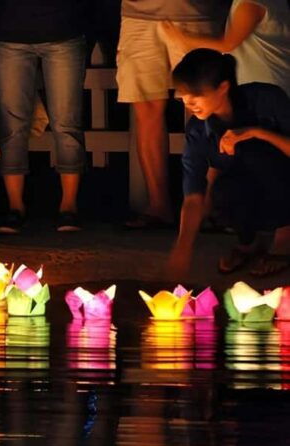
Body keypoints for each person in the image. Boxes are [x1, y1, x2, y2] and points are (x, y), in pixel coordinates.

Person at [166, 49, 290, 278]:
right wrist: (183, 248)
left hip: (284, 179)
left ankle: (284, 238)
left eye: (195, 95)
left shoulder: (267, 99)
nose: (188, 103)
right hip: (249, 189)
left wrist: (256, 132)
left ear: (223, 88)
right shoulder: (198, 130)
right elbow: (194, 195)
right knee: (222, 188)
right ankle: (247, 242)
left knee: (255, 154)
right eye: (183, 96)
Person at [117, 0, 229, 229]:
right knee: (145, 108)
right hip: (138, 14)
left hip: (196, 12)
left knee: (207, 109)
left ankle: (208, 206)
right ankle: (158, 206)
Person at [0, 0, 88, 234]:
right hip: (10, 34)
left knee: (67, 122)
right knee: (12, 125)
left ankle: (69, 207)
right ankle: (15, 207)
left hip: (63, 31)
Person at [161, 0, 290, 96]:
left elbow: (228, 44)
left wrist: (183, 40)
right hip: (269, 82)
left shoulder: (251, 4)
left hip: (267, 83)